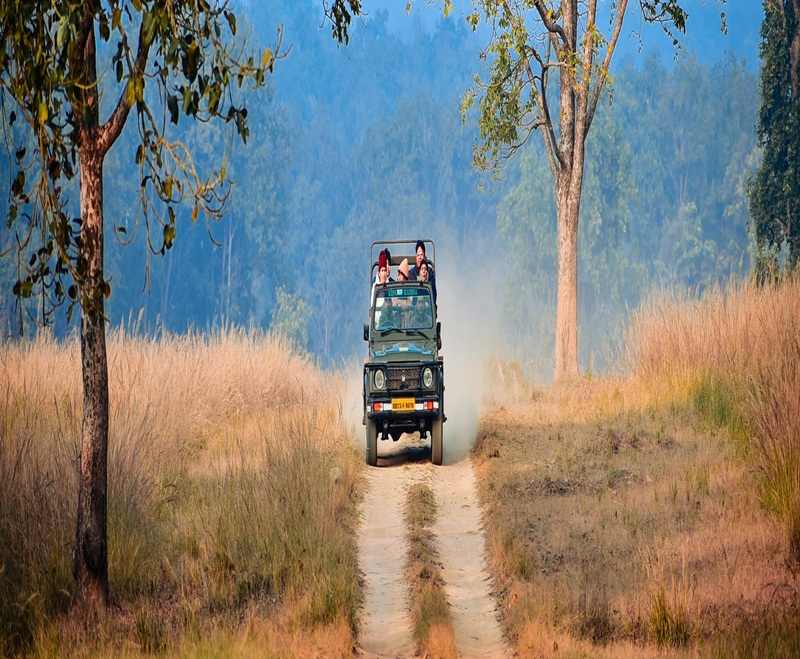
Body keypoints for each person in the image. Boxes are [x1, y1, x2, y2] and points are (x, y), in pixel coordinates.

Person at [409, 240, 437, 306]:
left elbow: (433, 292)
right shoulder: (411, 273)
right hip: (414, 307)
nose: (420, 257)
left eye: (421, 254)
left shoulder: (430, 272)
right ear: (416, 257)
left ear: (424, 256)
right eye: (418, 255)